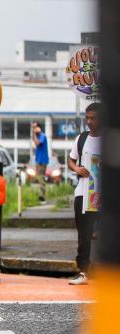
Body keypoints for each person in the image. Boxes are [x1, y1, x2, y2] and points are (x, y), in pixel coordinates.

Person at [67, 102, 102, 285]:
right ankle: (83, 272)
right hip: (83, 192)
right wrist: (77, 169)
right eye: (87, 118)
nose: (89, 121)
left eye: (93, 118)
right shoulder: (81, 138)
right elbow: (71, 161)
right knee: (84, 234)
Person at [32, 121, 49, 203]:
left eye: (35, 127)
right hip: (38, 160)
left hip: (42, 161)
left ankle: (42, 196)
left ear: (39, 128)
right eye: (33, 127)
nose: (33, 129)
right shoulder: (38, 136)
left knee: (41, 178)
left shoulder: (42, 136)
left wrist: (34, 134)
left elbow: (37, 143)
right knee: (39, 178)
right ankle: (41, 195)